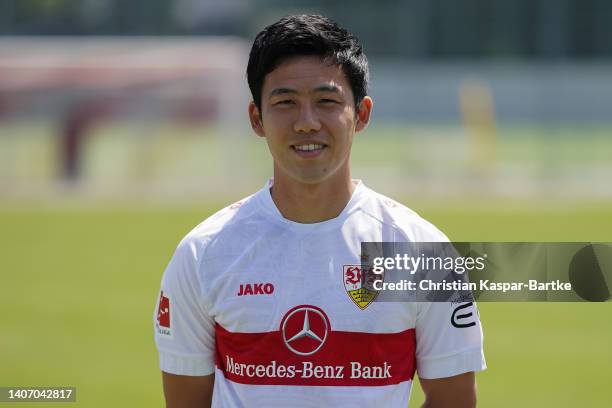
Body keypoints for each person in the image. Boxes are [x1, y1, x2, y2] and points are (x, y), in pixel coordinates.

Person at [154, 14, 485, 407]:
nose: (306, 123)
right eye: (285, 102)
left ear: (361, 114)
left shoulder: (421, 250)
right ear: (257, 118)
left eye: (327, 101)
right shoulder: (203, 253)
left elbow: (455, 399)